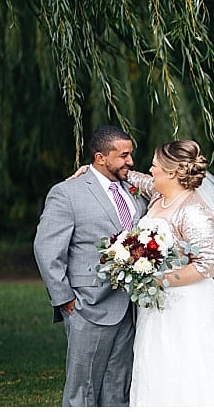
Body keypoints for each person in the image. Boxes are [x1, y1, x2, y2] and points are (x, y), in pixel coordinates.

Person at [74, 139, 214, 406]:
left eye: (155, 165)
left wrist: (156, 279)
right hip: (156, 303)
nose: (149, 169)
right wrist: (92, 171)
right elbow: (133, 177)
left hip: (186, 303)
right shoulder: (160, 194)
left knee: (186, 365)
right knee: (155, 361)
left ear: (172, 172)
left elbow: (208, 264)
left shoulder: (194, 210)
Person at [33, 125, 149, 406]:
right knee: (83, 388)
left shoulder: (133, 190)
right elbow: (47, 249)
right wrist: (65, 299)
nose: (130, 162)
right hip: (88, 305)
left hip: (130, 307)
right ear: (100, 157)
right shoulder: (68, 193)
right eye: (123, 156)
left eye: (130, 154)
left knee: (118, 386)